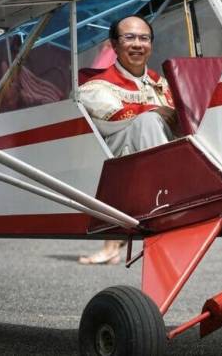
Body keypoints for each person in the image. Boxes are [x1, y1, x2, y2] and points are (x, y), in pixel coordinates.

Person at [78, 15, 178, 265]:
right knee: (148, 122)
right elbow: (116, 118)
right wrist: (156, 113)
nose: (137, 44)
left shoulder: (162, 83)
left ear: (151, 45)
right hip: (117, 167)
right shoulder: (95, 87)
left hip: (157, 159)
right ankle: (168, 204)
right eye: (129, 37)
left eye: (144, 38)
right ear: (114, 45)